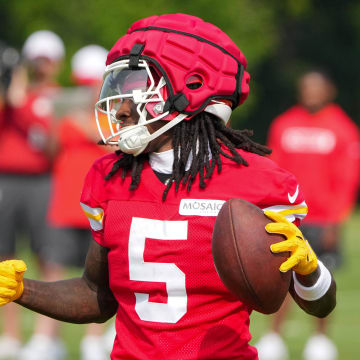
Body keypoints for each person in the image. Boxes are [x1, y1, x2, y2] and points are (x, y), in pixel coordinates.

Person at [0, 14, 336, 360]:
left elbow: (320, 305)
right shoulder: (110, 177)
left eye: (138, 87)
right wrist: (24, 290)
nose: (122, 106)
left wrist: (309, 270)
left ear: (190, 89)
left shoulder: (260, 182)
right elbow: (96, 295)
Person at [257, 70, 359, 360]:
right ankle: (273, 338)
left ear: (330, 91)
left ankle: (320, 342)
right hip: (288, 217)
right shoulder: (284, 124)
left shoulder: (343, 129)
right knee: (280, 279)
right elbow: (274, 170)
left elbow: (347, 179)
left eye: (316, 88)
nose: (310, 93)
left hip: (323, 220)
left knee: (320, 281)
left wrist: (336, 219)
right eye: (306, 87)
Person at [45, 44, 114, 360]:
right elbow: (49, 150)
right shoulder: (65, 112)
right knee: (54, 269)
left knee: (100, 274)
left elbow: (117, 150)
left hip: (99, 204)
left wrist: (88, 128)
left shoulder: (114, 115)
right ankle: (49, 338)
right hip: (65, 200)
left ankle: (94, 339)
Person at [0, 30, 66, 359]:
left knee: (47, 256)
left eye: (46, 59)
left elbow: (47, 140)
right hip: (7, 181)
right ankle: (9, 334)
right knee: (4, 258)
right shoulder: (11, 96)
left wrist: (19, 99)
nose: (41, 66)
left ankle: (47, 336)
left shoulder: (56, 97)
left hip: (42, 181)